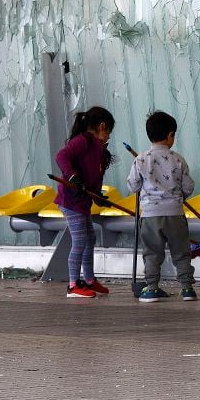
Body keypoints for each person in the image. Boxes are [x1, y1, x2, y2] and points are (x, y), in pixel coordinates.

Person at [126, 111, 196, 302]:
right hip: (175, 214)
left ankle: (151, 288)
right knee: (181, 252)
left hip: (150, 216)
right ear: (170, 135)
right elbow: (189, 186)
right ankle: (187, 288)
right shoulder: (178, 159)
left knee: (152, 253)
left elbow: (132, 186)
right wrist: (181, 197)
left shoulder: (140, 159)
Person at [54, 106, 115, 299]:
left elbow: (94, 179)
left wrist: (97, 196)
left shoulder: (100, 150)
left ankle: (89, 280)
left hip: (83, 202)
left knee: (90, 239)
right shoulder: (83, 141)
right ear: (102, 127)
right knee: (80, 240)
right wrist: (72, 177)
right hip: (71, 201)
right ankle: (73, 285)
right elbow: (61, 156)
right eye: (109, 132)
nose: (108, 137)